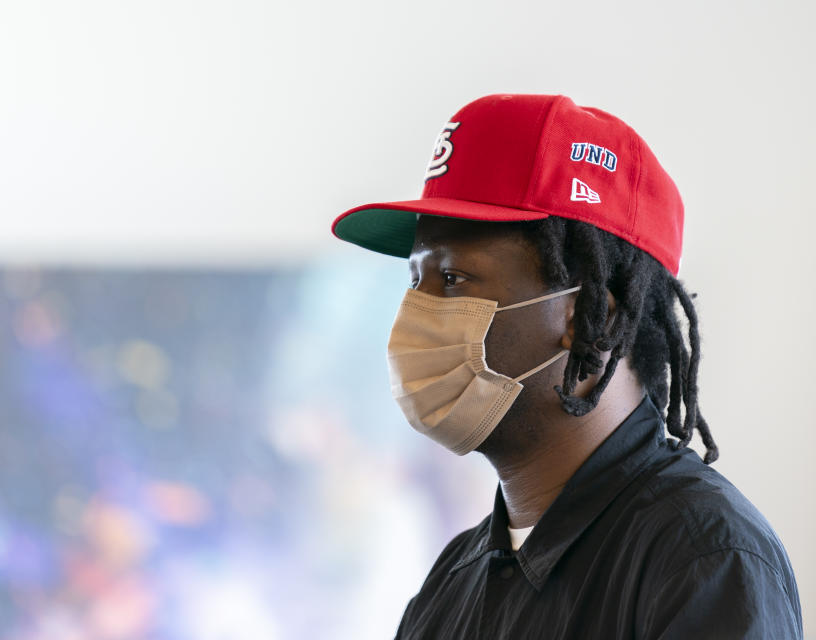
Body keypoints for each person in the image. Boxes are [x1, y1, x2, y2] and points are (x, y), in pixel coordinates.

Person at [331, 94, 803, 638]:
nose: (419, 312)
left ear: (589, 322)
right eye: (415, 281)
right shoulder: (451, 585)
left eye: (454, 280)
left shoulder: (701, 558)